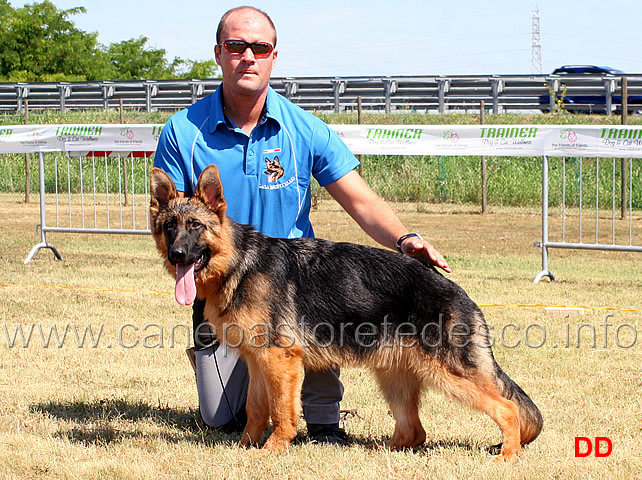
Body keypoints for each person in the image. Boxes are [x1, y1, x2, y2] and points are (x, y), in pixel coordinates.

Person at [153, 6, 451, 446]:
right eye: (236, 46)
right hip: (220, 285)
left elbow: (360, 199)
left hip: (297, 285)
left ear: (274, 56)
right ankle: (244, 399)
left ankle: (322, 414)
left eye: (260, 47)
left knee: (311, 395)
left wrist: (405, 239)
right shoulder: (183, 129)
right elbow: (174, 218)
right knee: (220, 418)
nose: (248, 57)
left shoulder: (303, 128)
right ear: (219, 53)